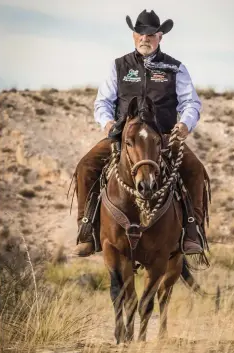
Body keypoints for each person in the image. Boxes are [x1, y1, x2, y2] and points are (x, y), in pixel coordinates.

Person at [72, 9, 208, 257]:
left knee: (195, 169)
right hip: (125, 138)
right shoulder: (119, 66)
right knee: (86, 166)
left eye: (151, 34)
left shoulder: (175, 67)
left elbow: (191, 103)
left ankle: (192, 229)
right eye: (140, 33)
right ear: (134, 35)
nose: (145, 38)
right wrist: (107, 123)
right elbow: (102, 102)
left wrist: (185, 124)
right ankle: (86, 229)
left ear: (160, 37)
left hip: (165, 137)